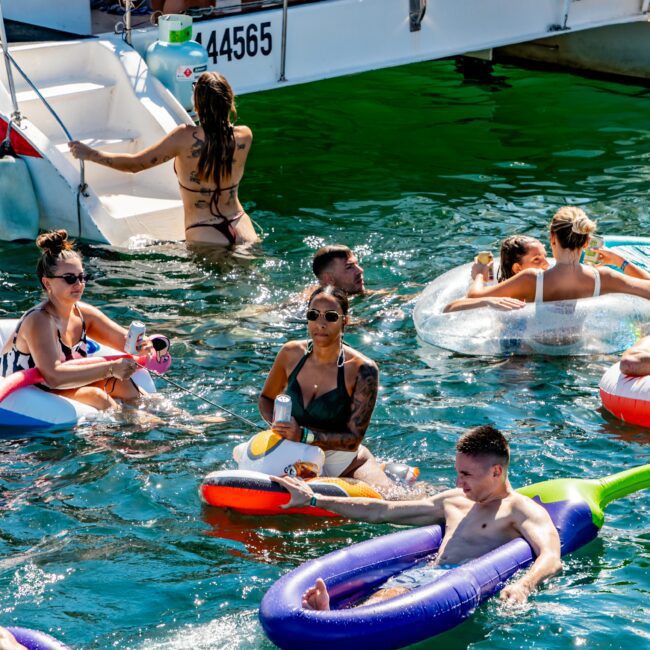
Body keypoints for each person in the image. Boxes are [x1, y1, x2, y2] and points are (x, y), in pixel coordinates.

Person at [274, 425, 562, 608]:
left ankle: (333, 623)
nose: (458, 481)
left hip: (458, 583)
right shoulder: (453, 500)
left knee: (389, 601)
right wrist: (314, 498)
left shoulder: (520, 509)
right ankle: (331, 619)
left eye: (466, 475)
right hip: (425, 575)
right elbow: (381, 511)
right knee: (386, 594)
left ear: (496, 472)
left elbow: (551, 555)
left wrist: (525, 585)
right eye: (457, 472)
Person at [69, 71, 257, 247]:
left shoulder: (183, 137)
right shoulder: (244, 136)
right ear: (229, 101)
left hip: (203, 231)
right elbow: (216, 139)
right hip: (240, 225)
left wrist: (91, 154)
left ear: (197, 104)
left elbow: (136, 164)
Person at [258, 286, 391, 488]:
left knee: (392, 502)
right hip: (295, 453)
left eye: (330, 316)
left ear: (344, 321)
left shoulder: (363, 370)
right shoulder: (290, 353)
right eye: (313, 315)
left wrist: (302, 435)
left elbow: (353, 439)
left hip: (344, 462)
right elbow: (266, 399)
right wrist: (278, 426)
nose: (320, 324)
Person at [0, 230, 148, 410]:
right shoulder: (39, 320)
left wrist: (144, 345)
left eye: (81, 277)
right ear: (47, 283)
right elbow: (53, 376)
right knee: (96, 396)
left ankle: (173, 422)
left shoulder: (84, 314)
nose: (78, 284)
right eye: (70, 279)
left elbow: (126, 343)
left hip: (61, 385)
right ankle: (141, 429)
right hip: (29, 391)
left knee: (125, 385)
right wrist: (110, 368)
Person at [465, 206, 650, 304]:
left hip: (534, 357)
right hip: (583, 354)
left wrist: (480, 273)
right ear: (586, 243)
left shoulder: (530, 279)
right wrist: (620, 262)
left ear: (552, 237)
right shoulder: (604, 277)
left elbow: (475, 297)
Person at [444, 235, 549, 312]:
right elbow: (449, 308)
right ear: (517, 268)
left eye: (545, 257)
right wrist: (486, 301)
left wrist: (479, 276)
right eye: (536, 259)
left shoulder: (545, 285)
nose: (547, 264)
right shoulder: (506, 296)